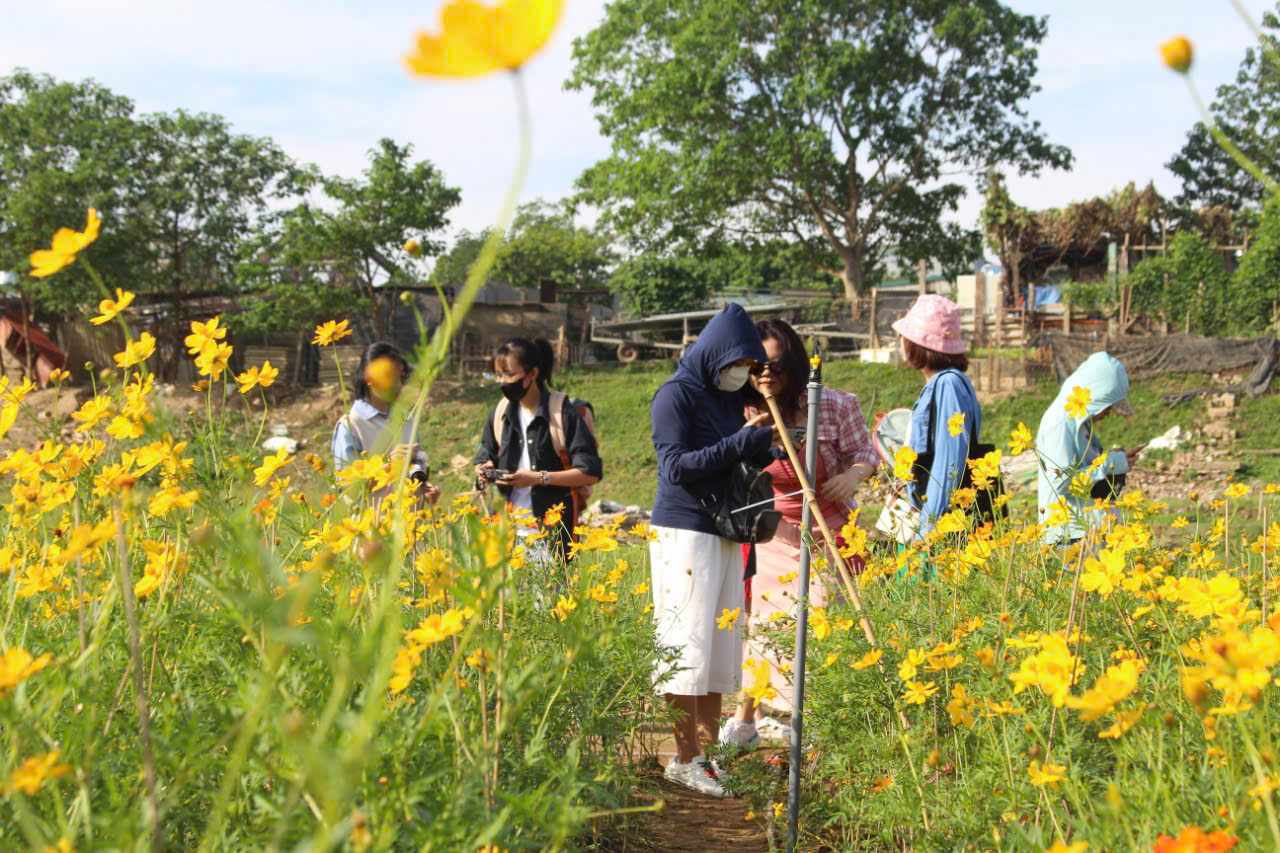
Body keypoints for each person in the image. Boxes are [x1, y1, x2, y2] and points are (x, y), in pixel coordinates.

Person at [720, 318, 879, 749]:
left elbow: (865, 452)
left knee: (821, 618)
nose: (767, 375)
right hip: (774, 528)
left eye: (776, 366)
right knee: (766, 626)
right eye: (757, 368)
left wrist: (852, 476)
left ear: (794, 363)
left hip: (829, 525)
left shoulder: (834, 404)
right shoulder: (745, 414)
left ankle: (811, 720)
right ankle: (744, 720)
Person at [649, 303, 777, 798]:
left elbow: (734, 457)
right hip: (685, 532)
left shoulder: (729, 400)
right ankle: (683, 757)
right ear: (715, 356)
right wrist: (740, 443)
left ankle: (705, 755)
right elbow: (677, 467)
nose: (742, 373)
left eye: (747, 365)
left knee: (719, 645)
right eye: (737, 363)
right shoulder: (675, 396)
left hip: (726, 530)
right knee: (686, 644)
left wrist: (762, 444)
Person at [473, 337, 602, 561]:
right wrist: (485, 466)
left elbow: (590, 472)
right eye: (498, 375)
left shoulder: (563, 413)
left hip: (553, 531)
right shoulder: (501, 412)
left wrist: (537, 478)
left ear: (531, 374)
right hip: (507, 529)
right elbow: (487, 451)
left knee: (550, 594)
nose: (503, 382)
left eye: (509, 375)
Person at [894, 294, 981, 540]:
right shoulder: (939, 384)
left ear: (918, 343)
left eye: (905, 335)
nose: (900, 340)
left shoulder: (948, 384)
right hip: (928, 514)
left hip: (941, 524)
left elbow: (949, 458)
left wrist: (929, 529)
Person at [1036, 352, 1137, 545]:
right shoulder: (1061, 423)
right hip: (1068, 537)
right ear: (1095, 397)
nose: (1108, 413)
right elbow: (1061, 482)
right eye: (1108, 406)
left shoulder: (1080, 422)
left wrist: (1117, 460)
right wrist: (1111, 464)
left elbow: (1086, 468)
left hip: (1087, 530)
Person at [332, 341, 440, 503]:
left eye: (401, 376)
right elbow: (348, 491)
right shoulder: (351, 425)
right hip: (370, 526)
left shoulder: (407, 420)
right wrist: (388, 465)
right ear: (369, 378)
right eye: (390, 376)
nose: (399, 384)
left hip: (408, 524)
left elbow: (413, 475)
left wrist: (424, 492)